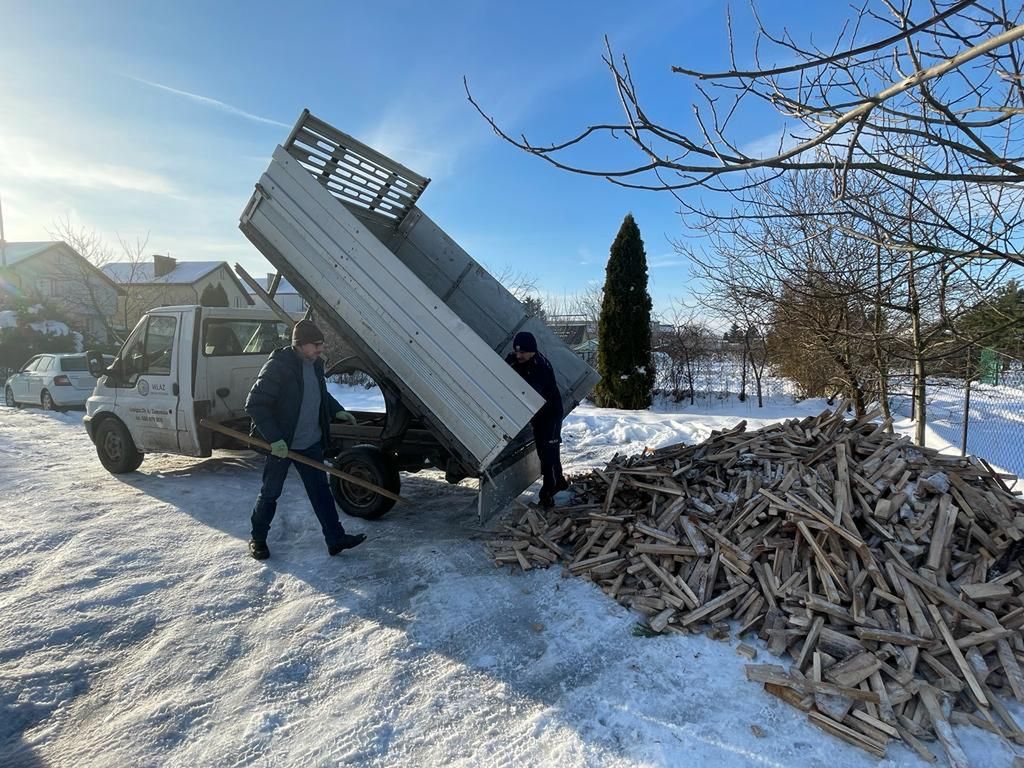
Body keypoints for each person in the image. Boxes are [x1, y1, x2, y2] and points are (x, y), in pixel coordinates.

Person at [245, 319, 366, 560]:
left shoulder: (315, 365)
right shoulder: (278, 366)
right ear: (300, 345)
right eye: (317, 345)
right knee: (270, 493)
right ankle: (257, 539)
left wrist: (337, 409)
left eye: (322, 344)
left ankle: (335, 538)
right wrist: (275, 439)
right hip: (283, 445)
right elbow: (255, 404)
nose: (321, 349)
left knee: (321, 492)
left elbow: (320, 393)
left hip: (310, 442)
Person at [506, 331, 568, 508]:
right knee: (543, 450)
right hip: (539, 416)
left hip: (551, 414)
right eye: (516, 351)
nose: (518, 356)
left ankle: (549, 490)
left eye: (523, 352)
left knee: (549, 452)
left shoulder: (541, 367)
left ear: (532, 350)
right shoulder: (518, 359)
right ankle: (559, 480)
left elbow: (530, 393)